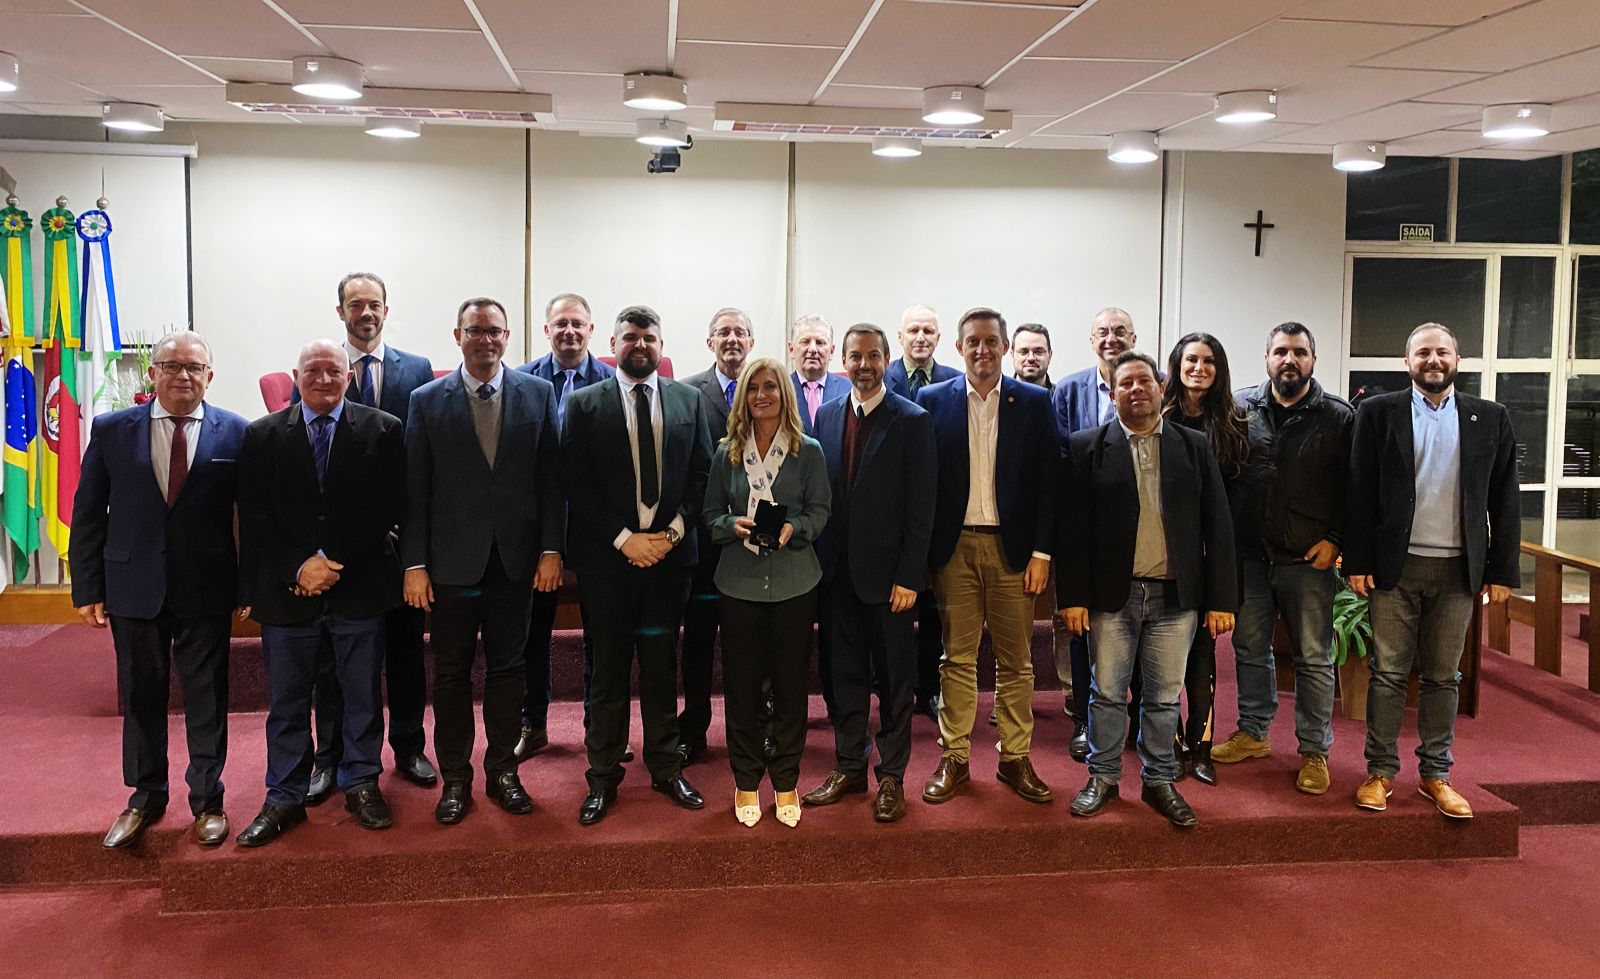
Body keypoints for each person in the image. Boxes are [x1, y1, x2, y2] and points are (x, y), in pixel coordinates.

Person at [70, 331, 248, 849]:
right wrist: (88, 586)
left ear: (210, 376)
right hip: (133, 586)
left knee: (206, 699)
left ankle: (208, 801)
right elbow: (87, 514)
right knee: (142, 696)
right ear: (152, 373)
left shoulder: (235, 433)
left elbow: (252, 518)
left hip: (206, 588)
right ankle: (145, 797)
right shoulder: (110, 431)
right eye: (171, 365)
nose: (183, 375)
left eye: (194, 367)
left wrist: (247, 581)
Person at [1345, 322, 1519, 820]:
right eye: (1423, 352)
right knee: (1388, 673)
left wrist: (1502, 569)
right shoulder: (1378, 413)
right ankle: (1380, 773)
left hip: (1458, 570)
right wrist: (1356, 561)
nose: (1433, 360)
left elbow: (1504, 499)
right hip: (1394, 569)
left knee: (1444, 677)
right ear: (1407, 362)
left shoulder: (1490, 417)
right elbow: (1358, 491)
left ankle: (1435, 774)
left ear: (1457, 360)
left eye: (1442, 352)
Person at [235, 340, 406, 846]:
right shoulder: (262, 435)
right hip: (288, 594)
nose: (325, 379)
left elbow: (386, 508)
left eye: (335, 371)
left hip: (359, 588)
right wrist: (299, 566)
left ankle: (362, 783)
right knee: (287, 703)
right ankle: (284, 796)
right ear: (295, 375)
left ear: (349, 376)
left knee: (361, 697)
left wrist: (332, 564)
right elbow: (256, 514)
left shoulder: (383, 429)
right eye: (314, 371)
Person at [1058, 351, 1237, 828]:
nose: (1136, 389)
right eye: (1126, 384)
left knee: (1162, 697)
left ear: (1161, 389)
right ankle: (1103, 777)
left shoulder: (1193, 446)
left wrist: (1221, 599)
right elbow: (1071, 531)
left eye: (1145, 381)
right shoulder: (1085, 447)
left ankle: (1159, 781)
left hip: (1175, 598)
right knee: (1107, 692)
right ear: (1113, 393)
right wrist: (1071, 597)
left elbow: (1218, 525)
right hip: (1110, 597)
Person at [402, 297, 564, 825]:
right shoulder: (425, 400)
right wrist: (414, 563)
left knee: (509, 669)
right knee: (449, 674)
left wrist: (550, 549)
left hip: (516, 562)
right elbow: (416, 488)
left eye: (495, 331)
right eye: (476, 331)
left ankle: (502, 772)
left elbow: (550, 482)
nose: (486, 340)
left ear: (508, 336)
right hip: (449, 565)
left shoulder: (539, 394)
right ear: (458, 335)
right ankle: (455, 779)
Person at [562, 305, 713, 826]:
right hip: (609, 562)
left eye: (649, 336)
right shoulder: (584, 404)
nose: (640, 344)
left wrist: (671, 534)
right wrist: (626, 540)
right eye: (630, 337)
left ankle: (666, 768)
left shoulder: (689, 400)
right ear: (614, 342)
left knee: (659, 665)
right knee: (606, 672)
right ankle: (602, 778)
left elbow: (702, 476)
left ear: (662, 344)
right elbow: (576, 483)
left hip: (670, 562)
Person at [297, 272, 437, 804]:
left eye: (374, 303)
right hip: (339, 548)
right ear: (341, 313)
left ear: (386, 308)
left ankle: (407, 747)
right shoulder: (320, 367)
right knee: (333, 661)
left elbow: (419, 457)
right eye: (355, 304)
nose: (366, 312)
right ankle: (328, 755)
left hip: (399, 542)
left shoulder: (417, 369)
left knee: (404, 651)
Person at [918, 308, 1057, 806]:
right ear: (959, 348)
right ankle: (954, 757)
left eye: (991, 342)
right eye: (973, 342)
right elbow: (924, 483)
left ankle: (1014, 757)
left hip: (1013, 551)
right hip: (953, 550)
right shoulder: (932, 400)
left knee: (1016, 662)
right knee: (955, 658)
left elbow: (1048, 483)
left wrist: (1042, 551)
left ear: (1003, 348)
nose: (982, 350)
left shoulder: (1035, 402)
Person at [1210, 323, 1353, 796]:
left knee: (1313, 658)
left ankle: (1315, 749)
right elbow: (1225, 477)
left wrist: (1336, 537)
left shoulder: (1338, 417)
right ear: (1266, 358)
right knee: (1250, 649)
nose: (1289, 360)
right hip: (1250, 557)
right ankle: (1253, 732)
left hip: (1307, 561)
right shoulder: (1239, 408)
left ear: (1314, 359)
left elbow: (1355, 489)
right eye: (1280, 352)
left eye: (1299, 352)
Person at [802, 324, 936, 823]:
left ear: (886, 359)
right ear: (843, 359)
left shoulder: (912, 419)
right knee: (846, 677)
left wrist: (910, 575)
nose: (863, 364)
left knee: (897, 683)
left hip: (891, 584)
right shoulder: (829, 415)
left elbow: (922, 507)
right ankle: (849, 766)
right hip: (837, 577)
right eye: (855, 356)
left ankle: (893, 777)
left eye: (873, 356)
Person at [703, 357, 831, 827]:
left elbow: (821, 511)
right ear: (743, 398)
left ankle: (785, 777)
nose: (762, 395)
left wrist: (794, 527)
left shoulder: (808, 451)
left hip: (796, 583)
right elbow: (710, 514)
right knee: (741, 688)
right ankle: (744, 779)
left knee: (792, 686)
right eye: (753, 388)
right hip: (737, 584)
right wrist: (729, 525)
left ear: (784, 394)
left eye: (771, 387)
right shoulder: (727, 453)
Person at [515, 292, 615, 759]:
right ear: (547, 330)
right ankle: (533, 723)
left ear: (592, 330)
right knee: (533, 632)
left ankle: (600, 724)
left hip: (598, 530)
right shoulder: (523, 382)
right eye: (561, 324)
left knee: (602, 632)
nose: (569, 331)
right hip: (538, 531)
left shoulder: (614, 382)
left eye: (578, 323)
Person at [1160, 333, 1251, 784]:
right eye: (1191, 359)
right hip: (1163, 563)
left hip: (1211, 560)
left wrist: (1224, 589)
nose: (1199, 367)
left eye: (1208, 361)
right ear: (1176, 365)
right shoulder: (1157, 418)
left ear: (1219, 369)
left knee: (1202, 657)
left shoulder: (1235, 423)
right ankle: (1170, 745)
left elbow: (1231, 515)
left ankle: (1202, 747)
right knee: (1161, 661)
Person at [1050, 307, 1139, 759]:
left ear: (1134, 336)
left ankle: (1141, 721)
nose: (1111, 339)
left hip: (1141, 534)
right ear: (1090, 340)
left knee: (1142, 633)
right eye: (1102, 332)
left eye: (1119, 331)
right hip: (1085, 530)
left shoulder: (1153, 383)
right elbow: (1060, 461)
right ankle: (1086, 722)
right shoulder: (1067, 390)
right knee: (1082, 632)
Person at [677, 307, 756, 763]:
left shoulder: (770, 388)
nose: (732, 339)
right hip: (706, 544)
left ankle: (755, 725)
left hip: (758, 543)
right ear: (710, 343)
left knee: (754, 641)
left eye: (740, 332)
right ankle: (695, 726)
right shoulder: (688, 392)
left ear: (751, 340)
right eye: (723, 333)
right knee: (701, 640)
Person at [884, 303, 959, 719]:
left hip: (937, 510)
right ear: (900, 336)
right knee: (890, 610)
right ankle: (892, 687)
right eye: (913, 329)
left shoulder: (953, 381)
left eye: (928, 330)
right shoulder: (884, 377)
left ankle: (929, 686)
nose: (920, 337)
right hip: (890, 513)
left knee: (933, 610)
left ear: (938, 337)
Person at [789, 313, 851, 433]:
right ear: (791, 349)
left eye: (820, 342)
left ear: (832, 351)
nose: (812, 349)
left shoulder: (849, 389)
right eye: (805, 342)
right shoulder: (780, 390)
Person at [1012, 323, 1054, 387]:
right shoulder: (997, 395)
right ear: (1012, 355)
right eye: (1024, 352)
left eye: (1039, 352)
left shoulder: (1061, 396)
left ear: (1050, 356)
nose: (1031, 358)